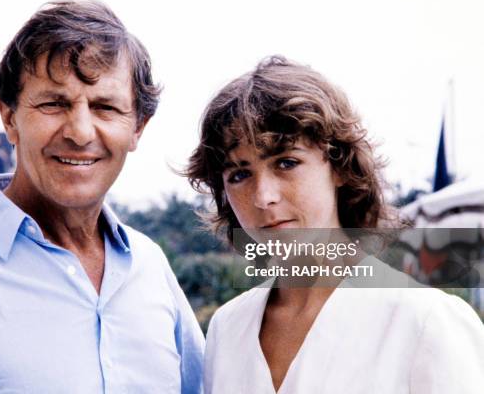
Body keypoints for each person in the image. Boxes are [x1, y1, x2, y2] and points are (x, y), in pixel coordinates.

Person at [0, 0, 203, 393]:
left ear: (137, 128)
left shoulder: (150, 269)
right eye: (53, 104)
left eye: (105, 107)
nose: (80, 132)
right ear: (9, 116)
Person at [185, 56, 484, 393]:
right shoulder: (228, 328)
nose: (262, 196)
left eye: (286, 162)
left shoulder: (426, 322)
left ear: (340, 167)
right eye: (239, 174)